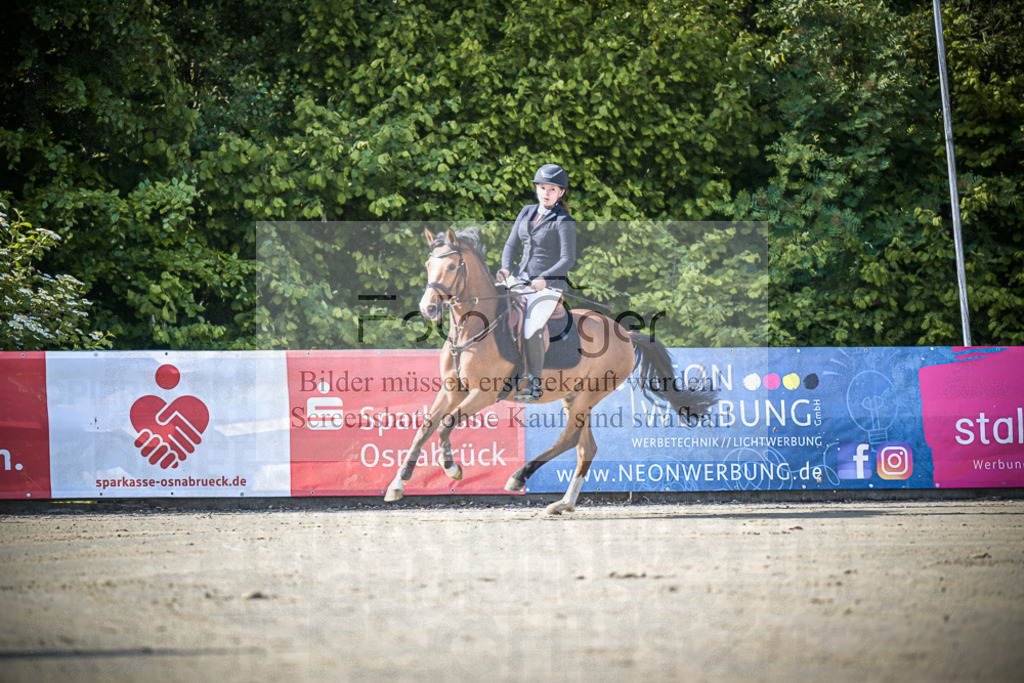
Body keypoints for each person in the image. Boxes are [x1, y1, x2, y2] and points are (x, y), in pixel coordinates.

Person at [496, 163, 577, 401]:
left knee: (531, 325)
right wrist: (504, 268)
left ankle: (534, 382)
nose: (546, 193)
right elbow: (511, 245)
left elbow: (567, 258)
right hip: (520, 279)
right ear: (537, 188)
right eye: (542, 187)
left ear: (560, 193)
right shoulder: (526, 211)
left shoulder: (564, 221)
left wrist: (545, 278)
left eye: (552, 189)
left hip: (549, 286)